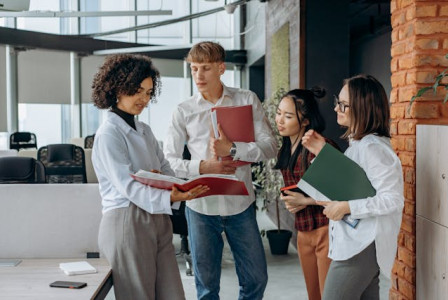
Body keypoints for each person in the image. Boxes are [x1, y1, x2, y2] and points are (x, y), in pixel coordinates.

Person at [164, 41, 277, 300]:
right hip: (200, 207)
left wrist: (234, 149)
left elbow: (270, 146)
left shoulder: (246, 99)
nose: (198, 76)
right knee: (206, 288)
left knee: (256, 278)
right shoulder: (183, 111)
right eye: (194, 69)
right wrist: (205, 166)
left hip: (240, 204)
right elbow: (169, 161)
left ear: (221, 68)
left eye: (205, 68)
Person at [91, 54, 209, 300]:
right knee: (138, 296)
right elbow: (128, 185)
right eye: (138, 91)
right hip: (127, 220)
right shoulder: (109, 133)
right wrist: (168, 193)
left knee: (173, 295)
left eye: (148, 92)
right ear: (117, 88)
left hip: (158, 218)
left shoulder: (145, 130)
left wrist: (180, 188)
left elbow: (166, 169)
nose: (144, 99)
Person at [302, 74, 404, 300]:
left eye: (344, 105)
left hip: (361, 247)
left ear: (362, 109)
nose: (337, 108)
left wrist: (347, 207)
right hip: (357, 243)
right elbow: (353, 185)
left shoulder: (373, 148)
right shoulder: (359, 145)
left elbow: (393, 199)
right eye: (338, 101)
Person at [274, 87, 338, 300]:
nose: (280, 120)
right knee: (314, 296)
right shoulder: (285, 148)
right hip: (302, 232)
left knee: (329, 295)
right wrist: (291, 202)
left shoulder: (320, 146)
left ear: (306, 121)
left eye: (288, 116)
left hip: (326, 230)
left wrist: (306, 200)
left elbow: (342, 191)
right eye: (279, 113)